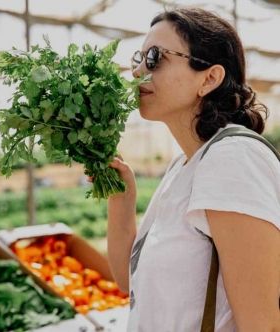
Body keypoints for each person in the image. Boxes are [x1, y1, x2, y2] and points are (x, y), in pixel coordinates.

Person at [105, 6, 280, 332]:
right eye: (138, 59)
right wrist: (121, 198)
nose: (138, 71)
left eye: (155, 57)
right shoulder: (183, 165)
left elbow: (263, 325)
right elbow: (131, 285)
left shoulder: (232, 160)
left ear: (209, 78)